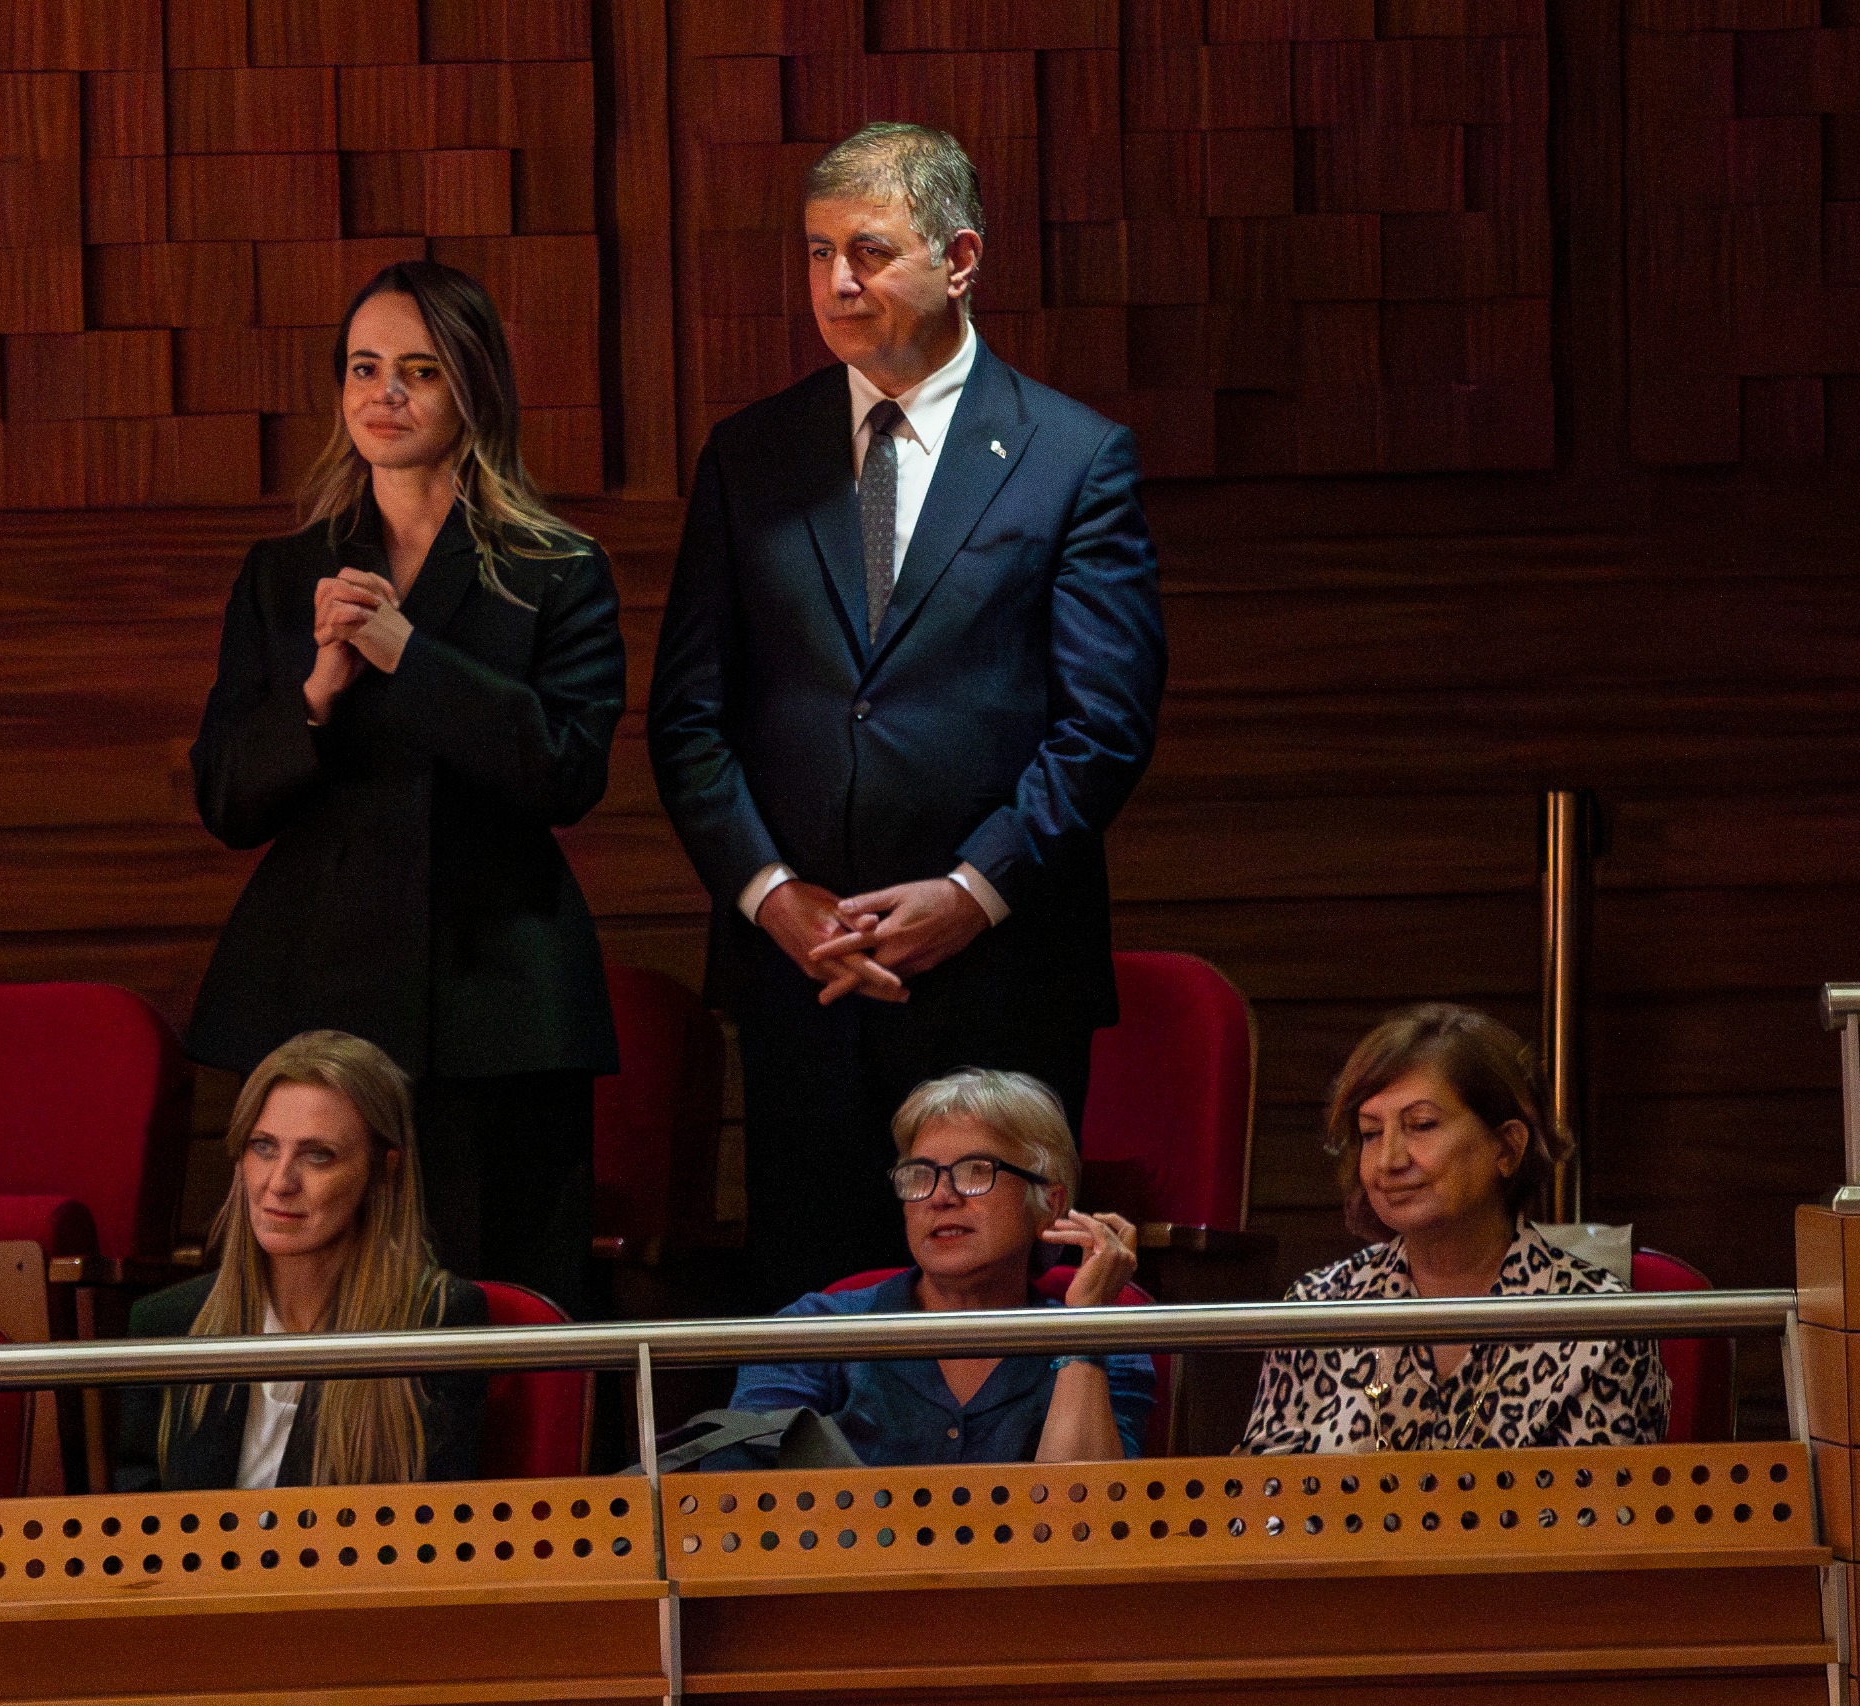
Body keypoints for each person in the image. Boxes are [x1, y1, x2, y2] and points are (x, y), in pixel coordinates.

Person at [647, 122, 1166, 1307]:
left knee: (993, 1316)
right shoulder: (749, 455)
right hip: (806, 986)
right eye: (820, 252)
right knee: (813, 1314)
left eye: (870, 251)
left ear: (961, 257)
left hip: (997, 974)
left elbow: (1104, 726)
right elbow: (686, 719)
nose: (837, 281)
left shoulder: (1071, 458)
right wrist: (773, 897)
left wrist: (969, 892)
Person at [186, 259, 624, 1317]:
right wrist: (319, 694)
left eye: (418, 372)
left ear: (472, 389)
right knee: (308, 1303)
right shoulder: (282, 573)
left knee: (494, 1302)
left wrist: (406, 651)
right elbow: (227, 799)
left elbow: (565, 770)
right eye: (364, 368)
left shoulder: (556, 567)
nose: (385, 395)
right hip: (316, 985)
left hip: (498, 1004)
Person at [1240, 1005, 1670, 1453]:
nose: (1389, 1160)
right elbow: (1266, 1509)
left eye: (1421, 1126)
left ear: (1507, 1146)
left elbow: (1603, 1516)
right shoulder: (1316, 1309)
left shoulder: (1598, 1324)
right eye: (1370, 1133)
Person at [724, 1069, 1157, 1467]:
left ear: (1050, 1203)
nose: (940, 1197)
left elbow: (1087, 1524)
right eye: (919, 1175)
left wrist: (1082, 1330)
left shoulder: (1109, 1341)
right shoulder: (813, 1329)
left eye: (974, 1171)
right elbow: (732, 1508)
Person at [115, 1031, 488, 1491]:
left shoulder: (437, 1320)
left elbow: (427, 1536)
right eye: (264, 1147)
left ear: (383, 1169)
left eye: (317, 1156)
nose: (280, 1181)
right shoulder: (167, 1323)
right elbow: (139, 1532)